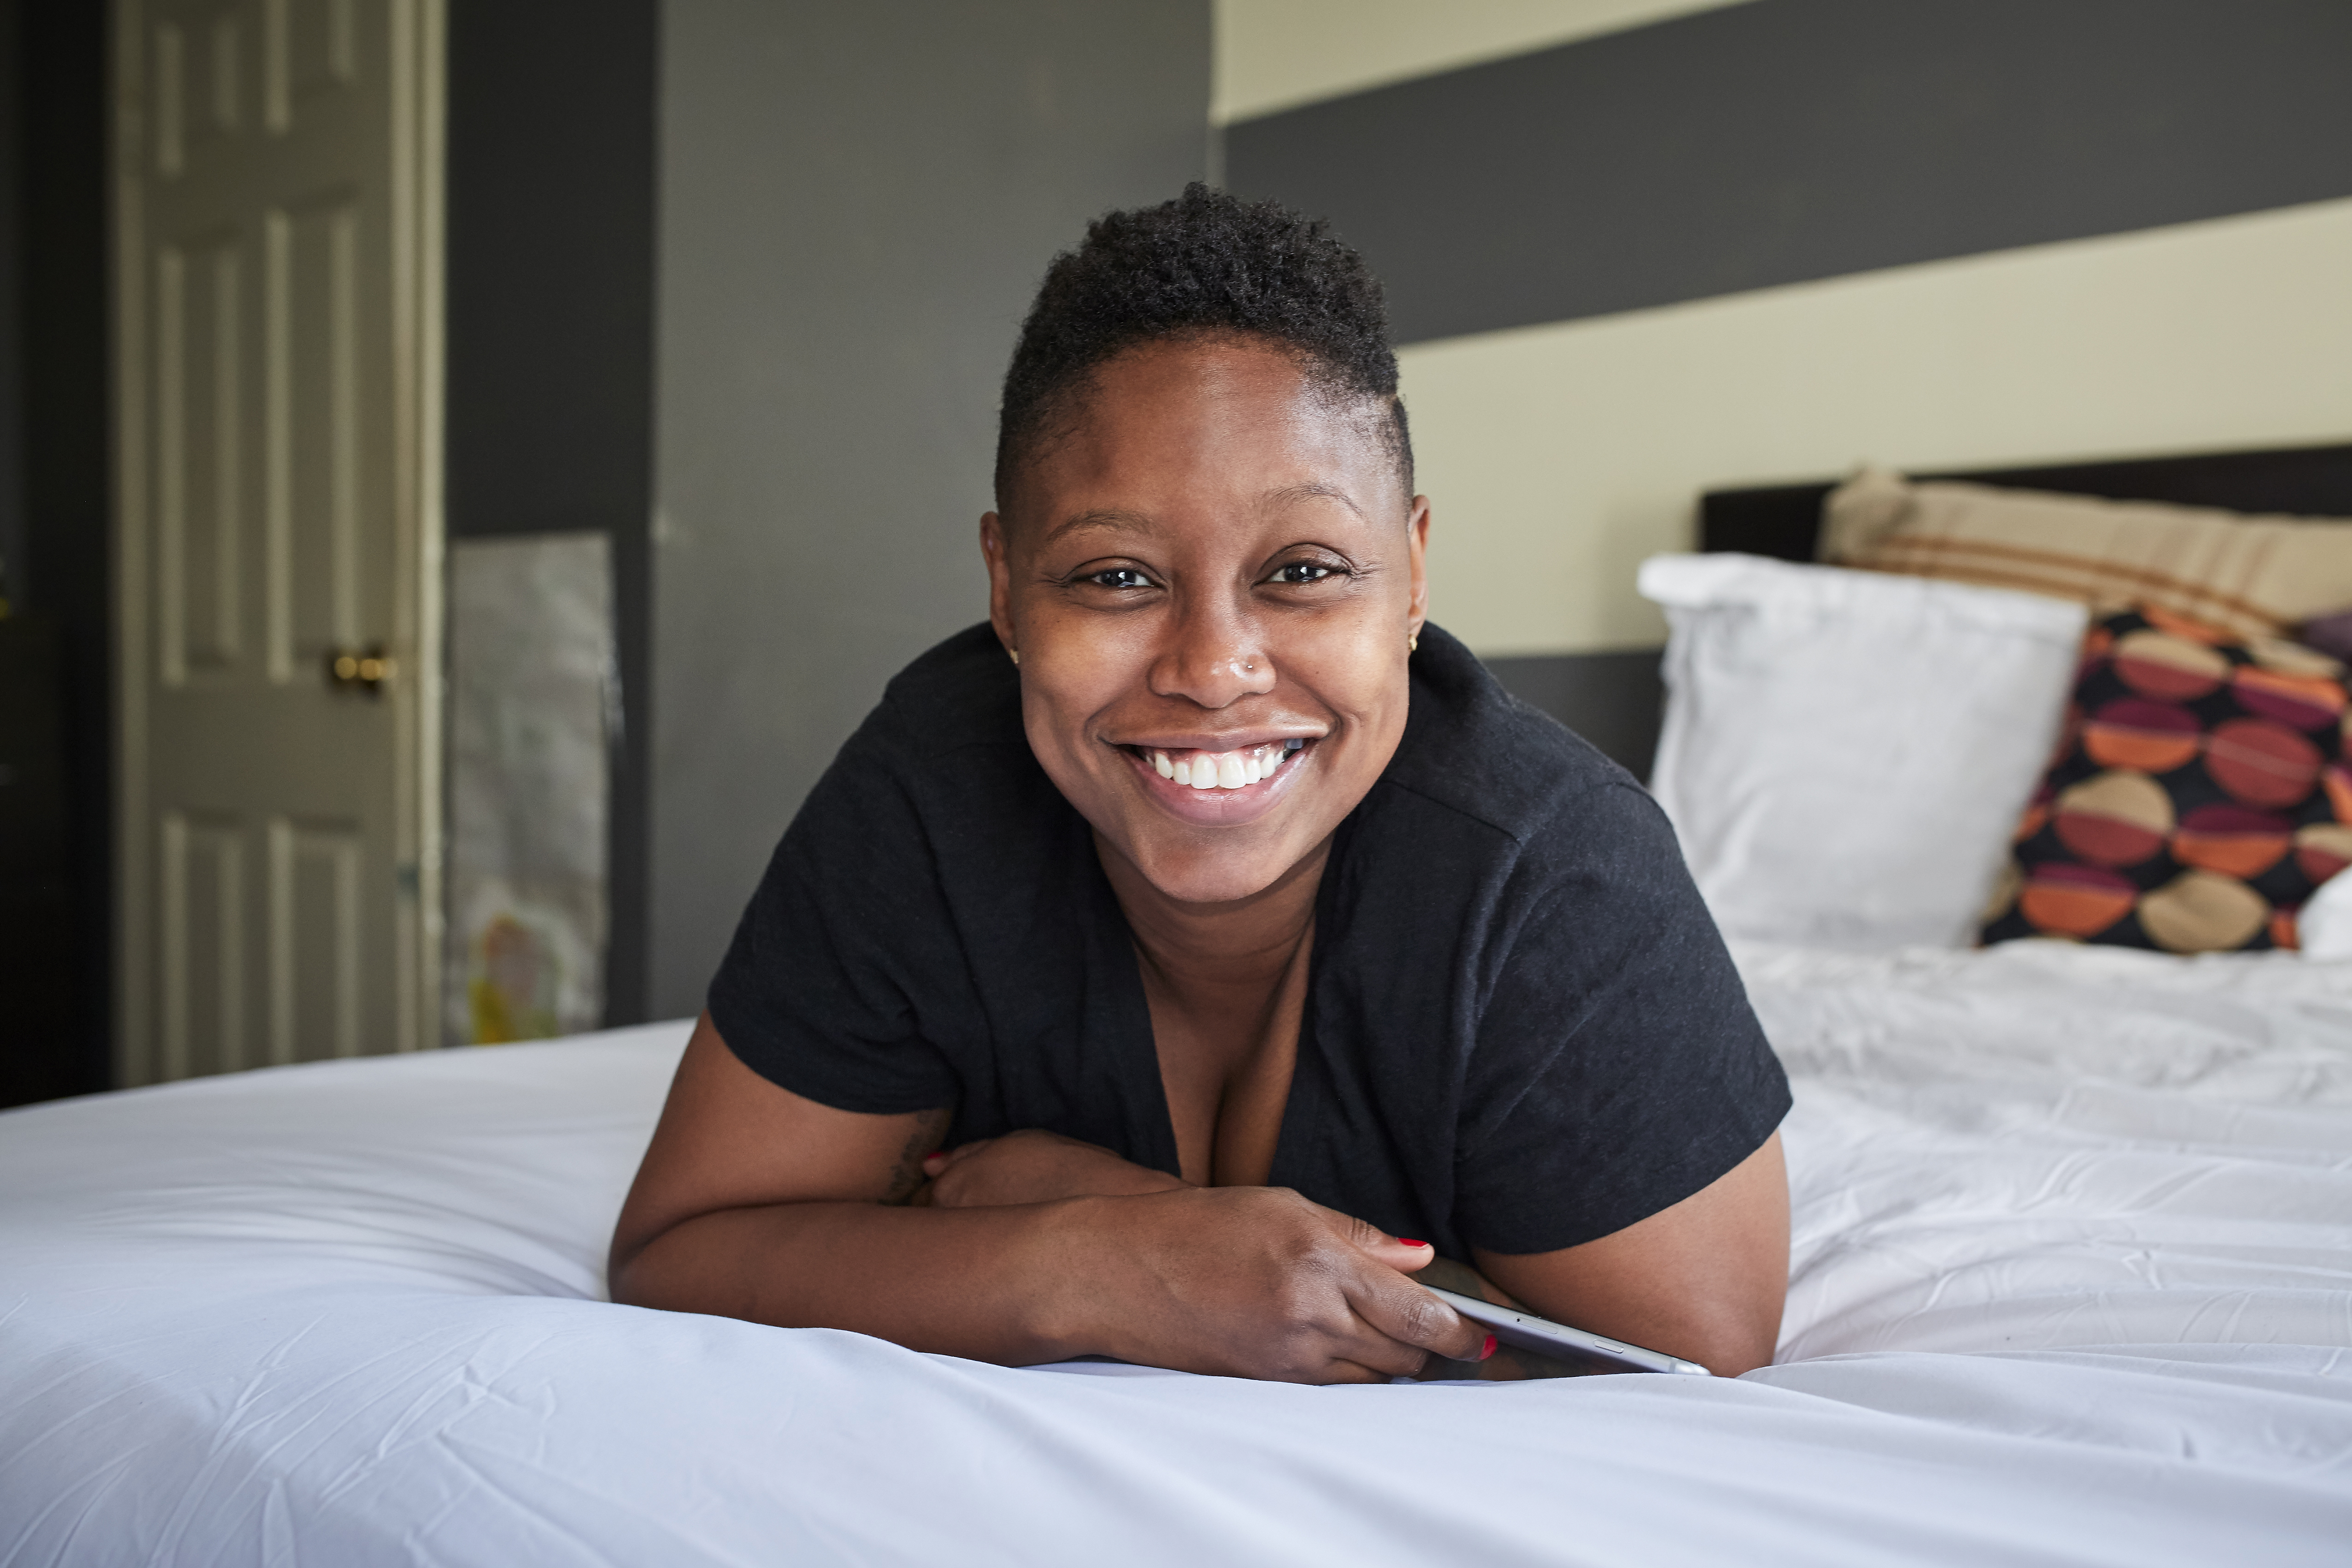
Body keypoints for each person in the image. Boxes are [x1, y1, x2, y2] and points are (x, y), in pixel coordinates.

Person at [610, 184, 1790, 1384]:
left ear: (1414, 573)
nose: (1211, 669)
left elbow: (1685, 1373)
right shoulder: (931, 793)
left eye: (1305, 569)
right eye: (1115, 577)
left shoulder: (1550, 875)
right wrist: (1094, 1259)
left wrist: (1109, 1217)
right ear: (1006, 589)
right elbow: (681, 1251)